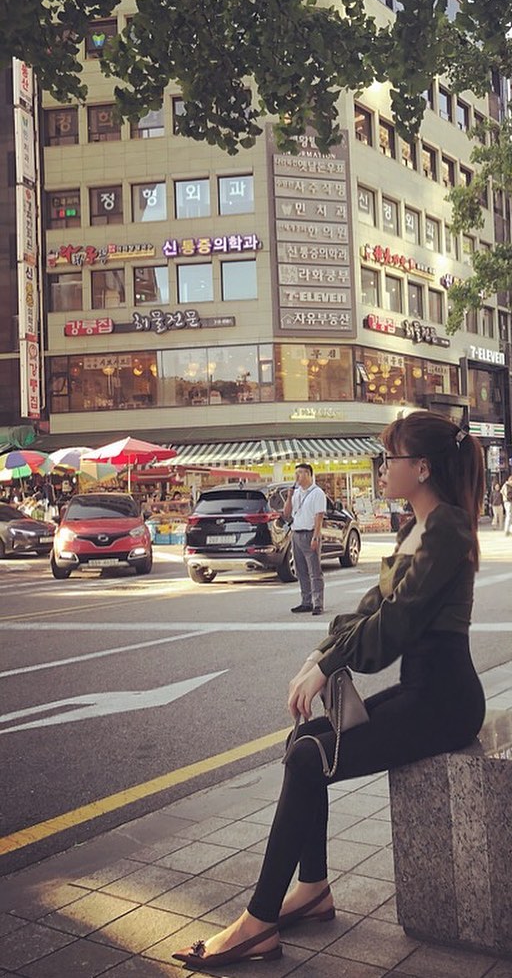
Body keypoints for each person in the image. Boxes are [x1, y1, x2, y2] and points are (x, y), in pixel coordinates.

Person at [172, 412, 486, 969]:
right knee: (304, 745)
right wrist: (320, 655)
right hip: (421, 692)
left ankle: (258, 923)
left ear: (422, 467)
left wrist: (330, 664)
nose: (381, 467)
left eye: (390, 457)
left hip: (446, 703)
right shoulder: (417, 529)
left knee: (309, 757)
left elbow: (396, 624)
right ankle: (313, 889)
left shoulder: (448, 529)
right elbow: (370, 607)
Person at [284, 463, 327, 616]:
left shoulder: (317, 493)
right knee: (301, 570)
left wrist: (316, 536)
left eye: (301, 473)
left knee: (314, 571)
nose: (297, 476)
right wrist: (289, 497)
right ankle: (306, 601)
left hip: (310, 533)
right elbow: (286, 513)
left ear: (309, 474)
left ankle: (318, 603)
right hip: (296, 533)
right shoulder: (296, 493)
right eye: (296, 473)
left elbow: (319, 516)